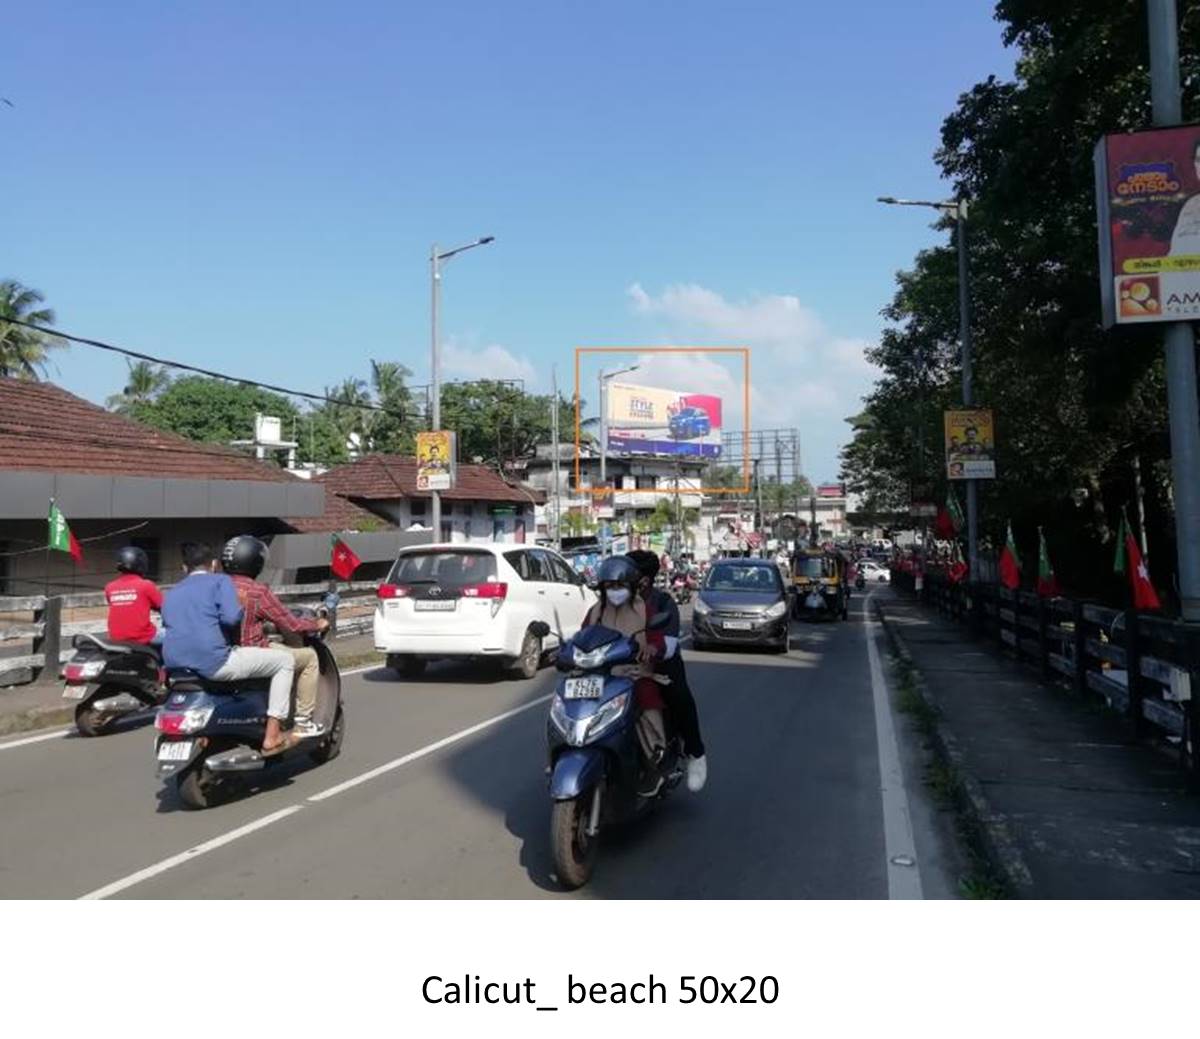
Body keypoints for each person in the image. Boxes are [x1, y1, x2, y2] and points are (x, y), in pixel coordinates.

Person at [161, 541, 297, 756]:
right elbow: (232, 618)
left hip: (175, 667)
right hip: (214, 662)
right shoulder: (220, 581)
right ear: (214, 564)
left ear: (184, 568)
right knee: (284, 661)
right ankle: (273, 734)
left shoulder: (171, 592)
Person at [220, 536, 330, 740]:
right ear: (256, 562)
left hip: (221, 653)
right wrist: (317, 623)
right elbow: (291, 624)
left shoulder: (214, 585)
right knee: (309, 657)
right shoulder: (257, 591)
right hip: (252, 652)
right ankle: (303, 722)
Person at [582, 556, 667, 796]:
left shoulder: (644, 610)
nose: (614, 592)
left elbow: (657, 639)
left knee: (645, 697)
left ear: (631, 588)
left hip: (633, 672)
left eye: (619, 587)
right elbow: (582, 636)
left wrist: (652, 648)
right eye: (609, 587)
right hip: (600, 673)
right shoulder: (596, 611)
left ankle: (654, 756)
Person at [626, 549, 708, 793]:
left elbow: (670, 643)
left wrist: (654, 648)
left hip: (659, 664)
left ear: (643, 579)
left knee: (678, 695)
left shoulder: (662, 602)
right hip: (619, 665)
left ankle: (695, 752)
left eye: (627, 574)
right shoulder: (613, 601)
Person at [104, 546, 164, 646]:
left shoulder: (109, 587)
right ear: (142, 564)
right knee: (177, 635)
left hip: (116, 639)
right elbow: (164, 608)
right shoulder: (146, 585)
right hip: (143, 637)